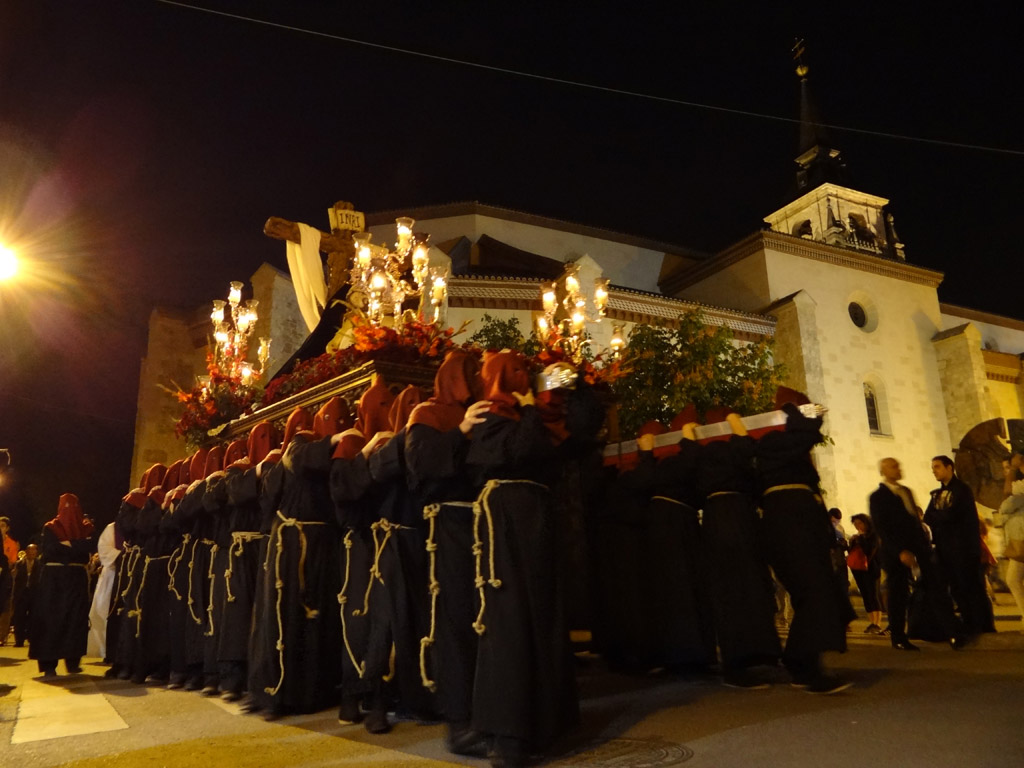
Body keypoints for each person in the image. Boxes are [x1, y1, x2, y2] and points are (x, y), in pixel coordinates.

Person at [464, 350, 579, 768]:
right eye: (515, 371)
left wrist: (544, 400)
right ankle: (507, 733)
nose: (524, 377)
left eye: (526, 371)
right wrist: (530, 411)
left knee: (543, 617)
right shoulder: (490, 416)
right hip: (506, 520)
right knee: (507, 619)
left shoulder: (542, 418)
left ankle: (546, 726)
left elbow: (567, 443)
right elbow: (519, 452)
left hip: (538, 520)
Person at [755, 397, 850, 694]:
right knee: (814, 592)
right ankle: (803, 666)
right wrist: (804, 413)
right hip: (791, 527)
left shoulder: (785, 453)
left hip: (797, 527)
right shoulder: (774, 445)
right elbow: (806, 434)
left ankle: (803, 663)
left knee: (812, 594)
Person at [869, 458, 962, 651]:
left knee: (936, 586)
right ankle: (898, 636)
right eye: (894, 466)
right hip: (895, 552)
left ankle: (951, 632)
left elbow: (915, 521)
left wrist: (924, 545)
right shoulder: (878, 496)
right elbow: (882, 528)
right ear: (884, 471)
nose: (899, 468)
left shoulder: (906, 492)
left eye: (898, 465)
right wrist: (900, 551)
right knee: (898, 593)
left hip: (920, 548)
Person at [924, 455, 995, 635]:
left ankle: (982, 624)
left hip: (964, 549)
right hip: (945, 548)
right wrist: (941, 516)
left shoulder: (962, 490)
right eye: (933, 467)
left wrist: (940, 516)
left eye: (938, 467)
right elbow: (928, 517)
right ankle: (969, 621)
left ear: (950, 468)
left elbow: (953, 515)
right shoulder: (937, 494)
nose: (934, 471)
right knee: (956, 588)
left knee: (971, 586)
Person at [29, 493, 95, 677]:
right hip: (54, 581)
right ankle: (49, 664)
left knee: (75, 620)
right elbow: (50, 550)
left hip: (75, 579)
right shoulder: (51, 527)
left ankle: (73, 661)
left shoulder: (87, 528)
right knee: (51, 620)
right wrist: (76, 546)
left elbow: (86, 550)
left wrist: (67, 545)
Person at [87, 524, 120, 659]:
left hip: (133, 572)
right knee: (105, 610)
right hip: (112, 574)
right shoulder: (112, 528)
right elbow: (104, 548)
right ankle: (105, 649)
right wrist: (121, 555)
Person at [999, 455, 1024, 632]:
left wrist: (1012, 470)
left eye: (1006, 467)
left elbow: (1007, 499)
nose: (1005, 472)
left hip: (1021, 540)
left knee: (1013, 579)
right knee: (1013, 579)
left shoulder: (1020, 487)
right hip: (1018, 541)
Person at [847, 514, 883, 633]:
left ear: (866, 523)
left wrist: (861, 539)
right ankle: (871, 622)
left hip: (871, 569)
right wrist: (852, 542)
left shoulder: (873, 536)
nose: (857, 526)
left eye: (860, 523)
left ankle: (877, 623)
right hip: (858, 570)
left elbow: (869, 551)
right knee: (866, 595)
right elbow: (851, 552)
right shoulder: (859, 536)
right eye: (855, 523)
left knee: (873, 595)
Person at [11, 542, 39, 647]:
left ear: (36, 552)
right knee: (19, 617)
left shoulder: (40, 564)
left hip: (34, 594)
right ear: (26, 551)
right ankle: (19, 640)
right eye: (29, 550)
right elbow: (15, 580)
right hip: (21, 594)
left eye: (34, 550)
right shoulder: (19, 564)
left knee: (33, 617)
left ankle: (33, 639)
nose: (31, 552)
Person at [0, 516, 18, 644]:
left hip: (5, 577)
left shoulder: (11, 544)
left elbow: (12, 562)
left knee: (5, 606)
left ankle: (1, 635)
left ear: (7, 528)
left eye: (2, 526)